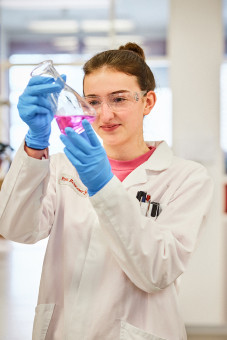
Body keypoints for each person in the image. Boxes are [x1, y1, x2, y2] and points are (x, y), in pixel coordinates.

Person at [0, 43, 213, 340]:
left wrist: (103, 185)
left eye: (119, 99)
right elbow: (16, 229)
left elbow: (157, 272)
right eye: (94, 102)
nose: (105, 114)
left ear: (148, 101)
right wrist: (36, 143)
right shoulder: (63, 167)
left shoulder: (187, 177)